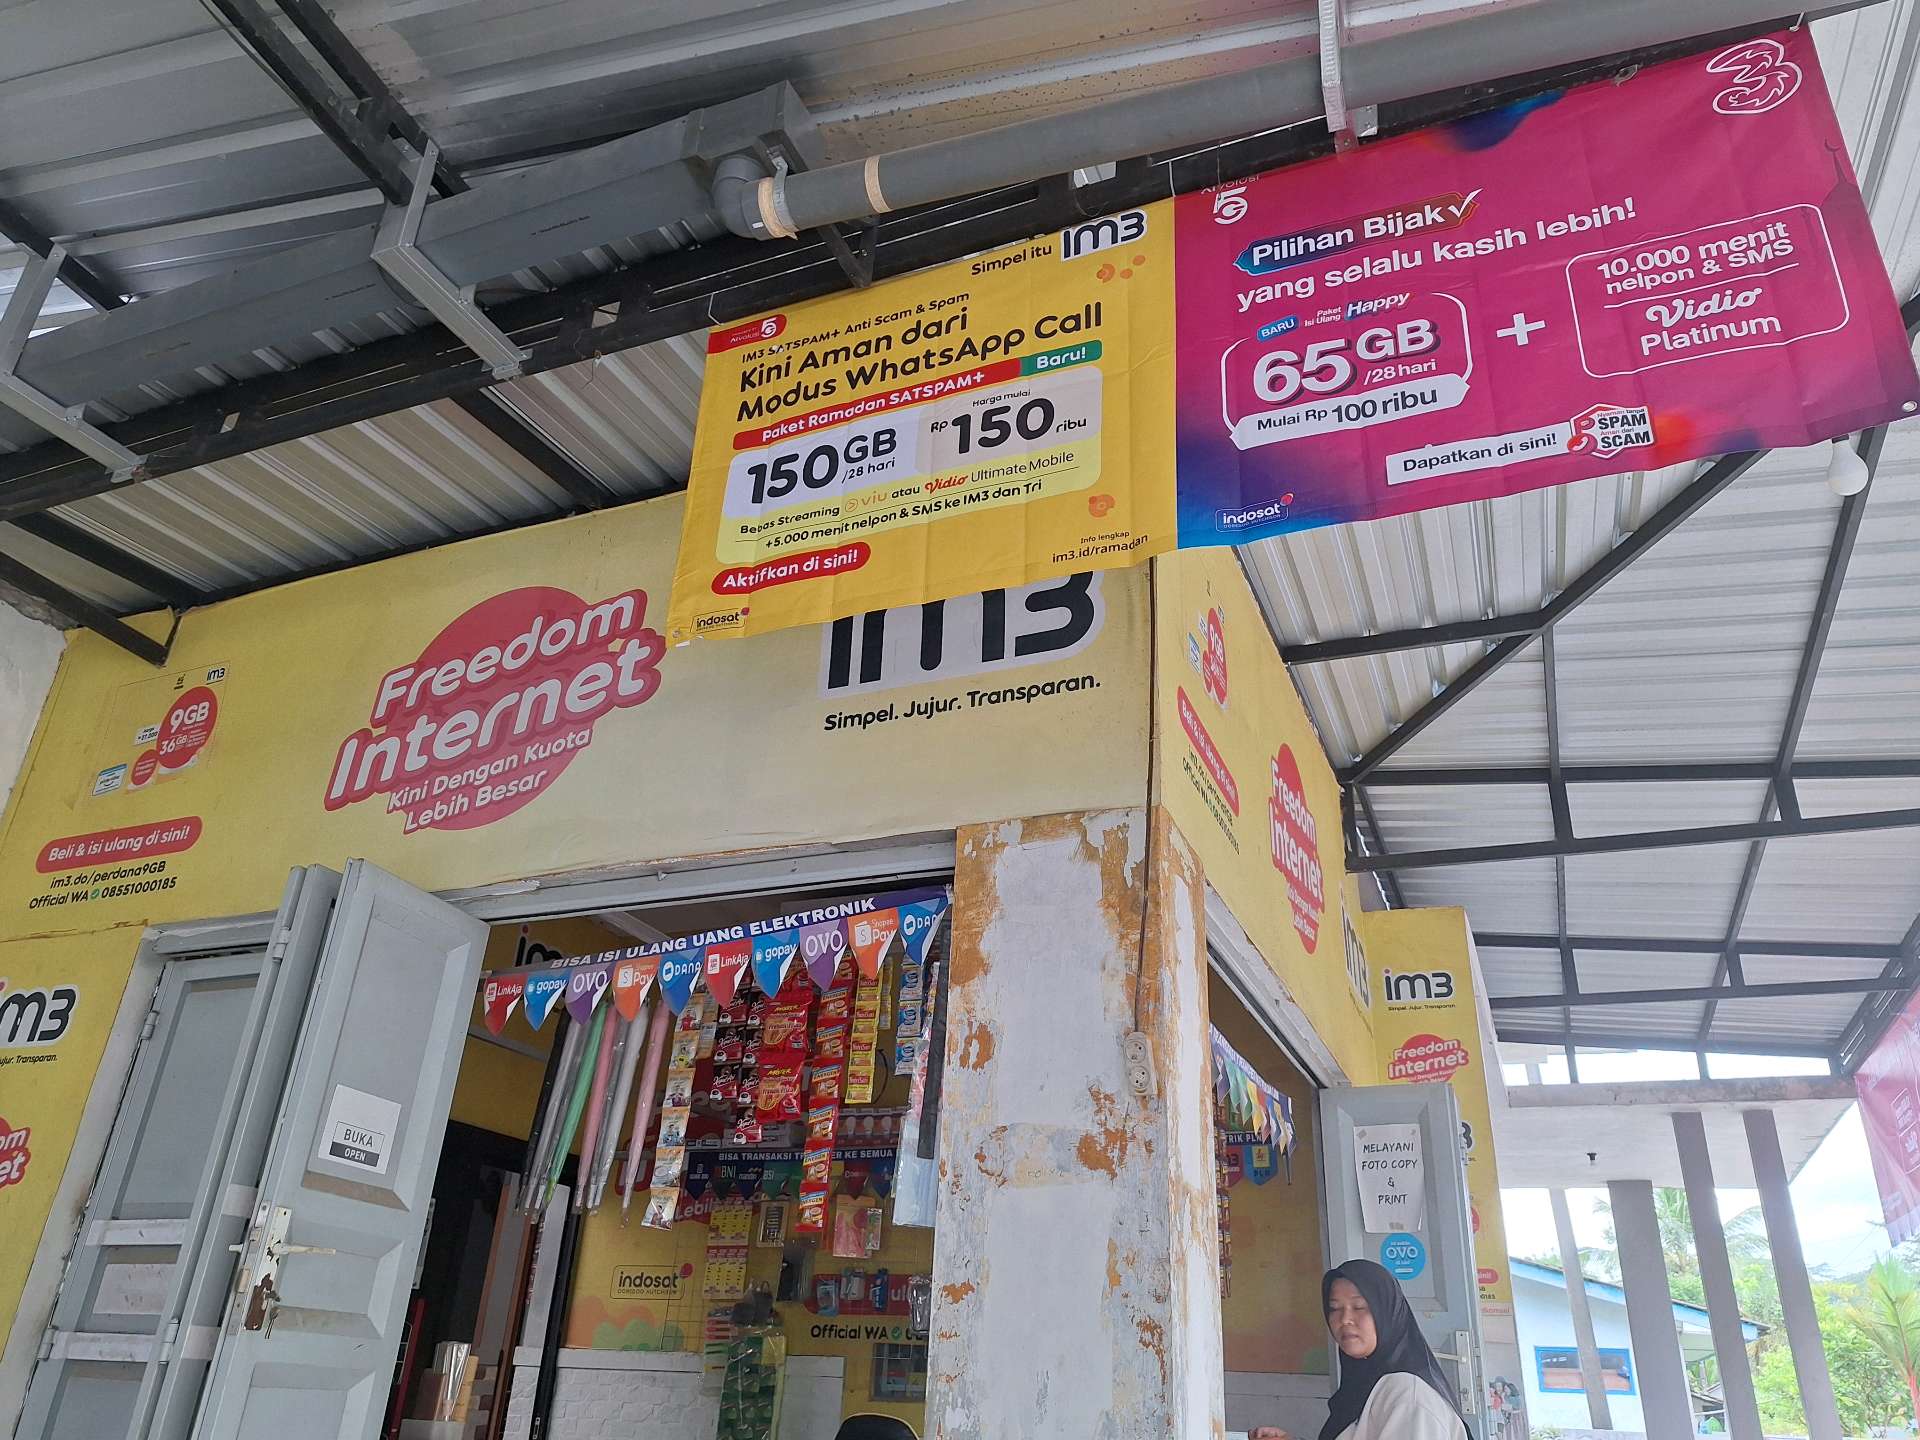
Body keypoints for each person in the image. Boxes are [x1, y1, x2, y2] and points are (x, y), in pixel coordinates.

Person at [1251, 1259, 1469, 1440]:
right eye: (1334, 1308)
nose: (1345, 1319)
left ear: (1387, 1312)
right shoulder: (1364, 1383)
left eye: (1359, 1307)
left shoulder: (1408, 1396)